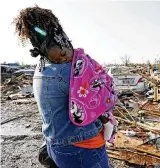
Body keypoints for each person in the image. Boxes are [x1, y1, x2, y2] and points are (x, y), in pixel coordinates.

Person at [13, 5, 111, 168]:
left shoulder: (40, 67)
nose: (64, 57)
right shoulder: (73, 71)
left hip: (56, 144)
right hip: (83, 147)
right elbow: (99, 101)